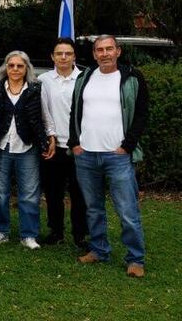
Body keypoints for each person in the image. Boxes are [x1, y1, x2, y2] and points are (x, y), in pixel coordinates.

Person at [69, 35, 148, 278]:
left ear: (118, 51)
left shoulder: (132, 78)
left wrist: (127, 146)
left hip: (118, 156)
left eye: (109, 49)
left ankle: (135, 259)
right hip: (86, 155)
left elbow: (142, 115)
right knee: (93, 208)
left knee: (127, 210)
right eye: (99, 50)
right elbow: (75, 111)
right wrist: (75, 143)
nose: (104, 53)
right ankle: (99, 249)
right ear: (94, 54)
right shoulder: (85, 78)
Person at [0, 51, 46, 250]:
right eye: (11, 65)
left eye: (19, 66)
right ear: (5, 68)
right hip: (2, 146)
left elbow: (45, 116)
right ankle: (0, 231)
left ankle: (28, 235)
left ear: (26, 69)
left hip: (27, 146)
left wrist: (49, 138)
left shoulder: (36, 89)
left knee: (29, 194)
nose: (15, 69)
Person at [38, 38, 88, 248]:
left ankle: (80, 235)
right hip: (54, 147)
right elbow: (43, 112)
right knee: (53, 192)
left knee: (80, 194)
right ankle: (56, 232)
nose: (64, 57)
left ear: (74, 56)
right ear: (52, 56)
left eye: (68, 53)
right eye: (59, 53)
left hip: (80, 147)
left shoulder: (85, 79)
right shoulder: (43, 80)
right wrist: (49, 137)